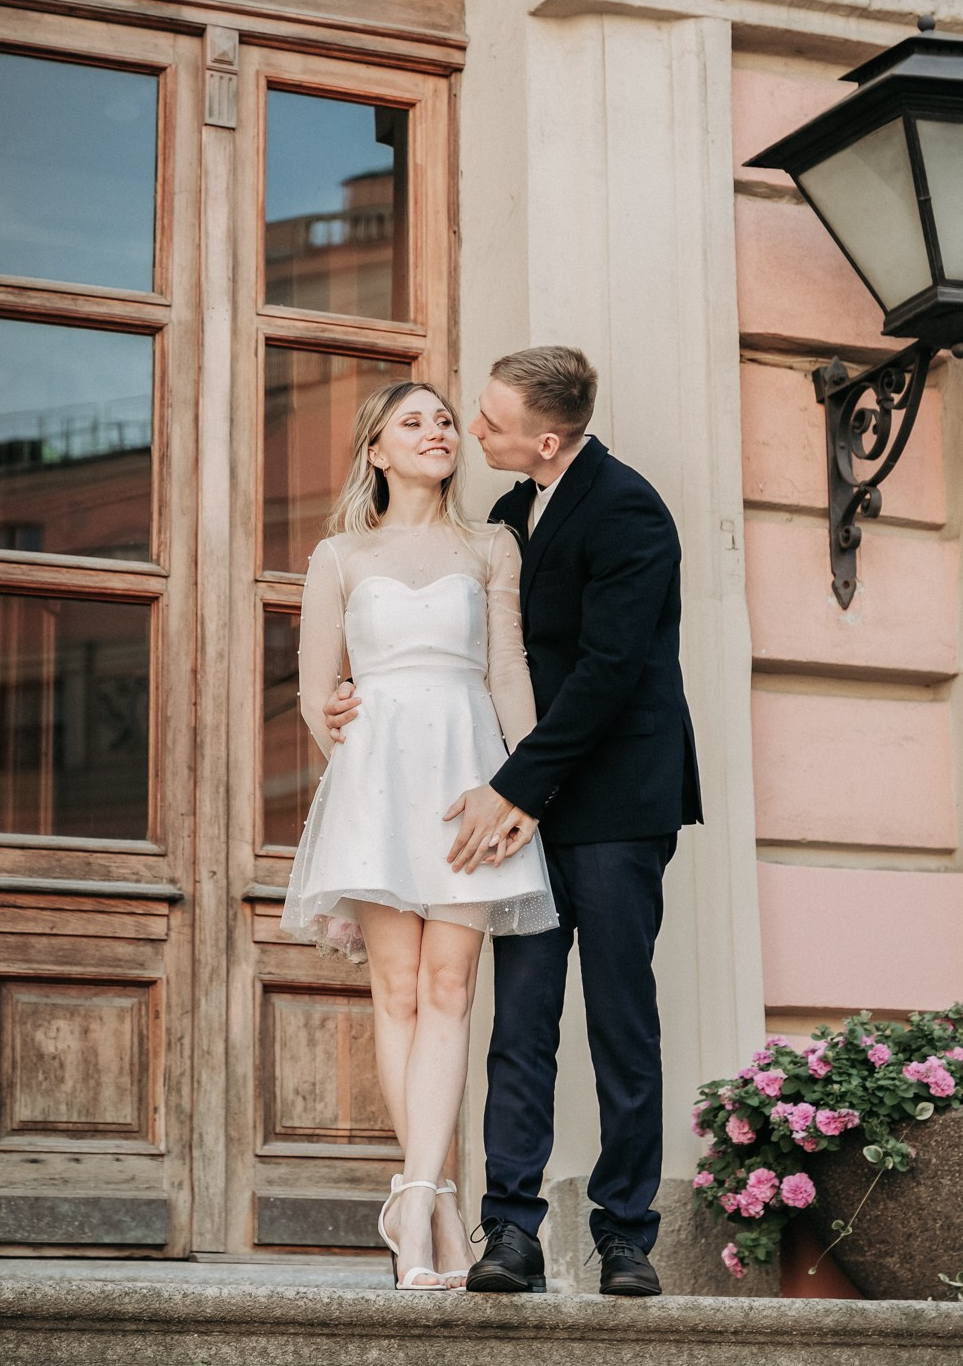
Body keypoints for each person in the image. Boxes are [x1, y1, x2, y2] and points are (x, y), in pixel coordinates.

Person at [326, 347, 701, 1298]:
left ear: (543, 436)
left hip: (612, 806)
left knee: (621, 1018)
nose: (468, 430)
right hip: (520, 812)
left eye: (485, 421)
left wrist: (515, 786)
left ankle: (625, 1236)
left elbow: (608, 674)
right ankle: (511, 1231)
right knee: (520, 1025)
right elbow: (488, 658)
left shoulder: (629, 509)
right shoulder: (503, 517)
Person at [280, 379, 557, 1293]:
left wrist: (525, 789)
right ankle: (429, 1203)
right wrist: (345, 735)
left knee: (451, 986)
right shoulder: (338, 557)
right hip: (379, 786)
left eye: (445, 420)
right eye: (415, 422)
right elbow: (319, 697)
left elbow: (507, 670)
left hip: (472, 778)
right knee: (396, 991)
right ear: (377, 450)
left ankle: (420, 1195)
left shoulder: (492, 546)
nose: (437, 431)